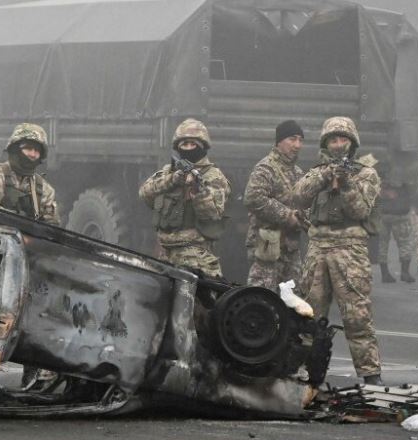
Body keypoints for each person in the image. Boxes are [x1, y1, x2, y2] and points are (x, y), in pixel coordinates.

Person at [292, 116, 384, 386]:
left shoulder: (366, 174)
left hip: (349, 248)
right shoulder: (317, 171)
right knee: (309, 315)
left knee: (357, 315)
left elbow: (361, 210)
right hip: (318, 247)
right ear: (325, 143)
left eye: (343, 139)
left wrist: (345, 183)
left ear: (352, 143)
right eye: (333, 139)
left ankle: (370, 374)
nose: (338, 144)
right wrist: (324, 176)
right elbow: (298, 196)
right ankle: (307, 373)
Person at [0, 122, 59, 389]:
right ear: (14, 148)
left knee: (30, 319)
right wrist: (19, 223)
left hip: (25, 262)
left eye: (36, 151)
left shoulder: (43, 189)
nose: (31, 155)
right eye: (27, 148)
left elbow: (52, 225)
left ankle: (31, 375)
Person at [140, 118, 231, 278]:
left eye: (193, 144)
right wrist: (172, 181)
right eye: (184, 144)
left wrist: (196, 192)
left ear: (202, 146)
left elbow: (212, 214)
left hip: (194, 256)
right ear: (178, 147)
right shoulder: (168, 172)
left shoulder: (213, 176)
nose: (188, 148)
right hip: (164, 254)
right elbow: (145, 193)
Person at [244, 120, 306, 290]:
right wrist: (287, 216)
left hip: (290, 249)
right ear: (279, 141)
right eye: (292, 139)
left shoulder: (298, 172)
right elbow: (253, 198)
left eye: (300, 140)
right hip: (267, 247)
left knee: (293, 301)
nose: (297, 145)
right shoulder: (266, 168)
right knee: (263, 298)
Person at [376, 162, 415, 283]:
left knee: (382, 244)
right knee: (405, 242)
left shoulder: (378, 171)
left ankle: (385, 274)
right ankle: (404, 272)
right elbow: (412, 189)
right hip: (399, 214)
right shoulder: (404, 170)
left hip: (382, 214)